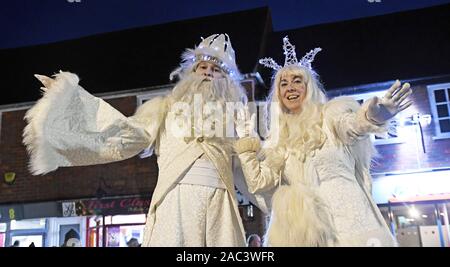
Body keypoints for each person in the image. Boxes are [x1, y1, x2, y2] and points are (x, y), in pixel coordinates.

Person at [23, 34, 267, 247]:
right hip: (176, 202)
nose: (208, 74)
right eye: (203, 68)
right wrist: (70, 100)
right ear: (192, 72)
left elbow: (252, 171)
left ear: (227, 80)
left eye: (216, 70)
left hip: (220, 206)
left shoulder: (237, 119)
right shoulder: (165, 108)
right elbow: (127, 134)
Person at [234, 36, 412, 246]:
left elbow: (353, 126)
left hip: (353, 224)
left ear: (309, 87)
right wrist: (246, 144)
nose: (290, 87)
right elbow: (259, 183)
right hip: (312, 234)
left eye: (297, 81)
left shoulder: (331, 116)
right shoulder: (278, 141)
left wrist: (373, 117)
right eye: (284, 83)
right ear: (278, 94)